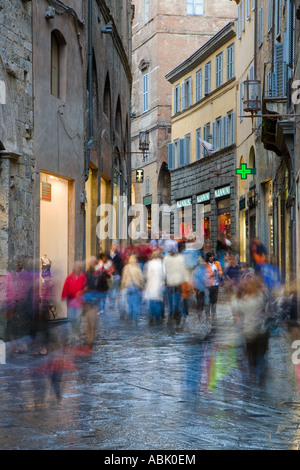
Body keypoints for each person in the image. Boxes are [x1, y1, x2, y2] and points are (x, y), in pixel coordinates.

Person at [231, 273, 270, 384]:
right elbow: (269, 306)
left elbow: (236, 314)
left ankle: (252, 374)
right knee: (261, 354)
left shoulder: (241, 299)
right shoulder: (261, 296)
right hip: (262, 330)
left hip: (248, 331)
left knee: (251, 354)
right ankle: (261, 374)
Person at [61, 261, 87, 344]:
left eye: (78, 267)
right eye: (75, 267)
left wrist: (82, 291)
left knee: (78, 319)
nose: (76, 269)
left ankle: (77, 333)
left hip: (79, 301)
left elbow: (86, 287)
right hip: (71, 301)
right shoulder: (69, 277)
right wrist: (64, 296)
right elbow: (65, 287)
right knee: (71, 318)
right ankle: (72, 334)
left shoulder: (83, 277)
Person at [164, 244, 188, 324]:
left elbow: (164, 271)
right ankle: (177, 316)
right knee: (177, 300)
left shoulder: (166, 258)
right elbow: (183, 270)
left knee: (171, 301)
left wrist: (165, 280)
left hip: (170, 283)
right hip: (177, 283)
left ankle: (172, 315)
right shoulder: (180, 258)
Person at [120, 254, 144, 323]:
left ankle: (129, 319)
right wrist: (142, 287)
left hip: (128, 287)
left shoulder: (126, 268)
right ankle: (136, 320)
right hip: (136, 287)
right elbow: (141, 279)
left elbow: (123, 279)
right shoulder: (137, 268)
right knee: (136, 305)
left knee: (129, 305)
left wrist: (122, 288)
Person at [144, 250, 166, 324]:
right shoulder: (161, 264)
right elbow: (164, 275)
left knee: (151, 302)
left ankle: (151, 318)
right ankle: (157, 318)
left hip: (151, 285)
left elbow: (147, 275)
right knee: (158, 303)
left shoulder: (149, 263)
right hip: (159, 285)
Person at [83, 257, 99, 347]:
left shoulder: (98, 273)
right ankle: (89, 338)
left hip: (95, 298)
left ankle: (91, 338)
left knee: (92, 320)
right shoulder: (87, 273)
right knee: (88, 320)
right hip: (88, 299)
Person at [203, 252, 223, 319]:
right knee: (208, 300)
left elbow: (221, 271)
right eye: (210, 256)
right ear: (208, 257)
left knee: (214, 300)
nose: (212, 258)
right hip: (208, 284)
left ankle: (214, 313)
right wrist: (210, 275)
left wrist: (218, 273)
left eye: (212, 256)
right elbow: (203, 274)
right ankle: (207, 314)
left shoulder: (217, 263)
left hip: (216, 284)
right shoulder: (204, 264)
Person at [108, 243, 124, 308]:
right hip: (108, 276)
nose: (114, 249)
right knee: (110, 290)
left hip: (116, 275)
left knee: (114, 290)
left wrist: (120, 275)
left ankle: (112, 304)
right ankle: (112, 303)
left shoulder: (118, 258)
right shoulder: (107, 256)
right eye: (113, 247)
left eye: (116, 248)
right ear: (111, 248)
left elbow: (121, 267)